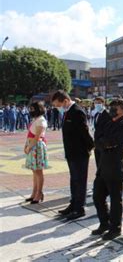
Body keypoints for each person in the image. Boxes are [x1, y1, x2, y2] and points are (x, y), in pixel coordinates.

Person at [92, 99, 123, 240]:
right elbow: (98, 139)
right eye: (112, 106)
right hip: (103, 165)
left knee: (115, 199)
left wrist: (103, 143)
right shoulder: (108, 122)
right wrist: (102, 143)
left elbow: (112, 142)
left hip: (115, 167)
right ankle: (105, 222)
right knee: (97, 196)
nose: (113, 109)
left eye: (117, 107)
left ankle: (116, 228)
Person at [52, 90, 94, 220]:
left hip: (79, 153)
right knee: (73, 180)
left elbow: (84, 132)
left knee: (80, 181)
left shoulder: (77, 111)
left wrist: (90, 147)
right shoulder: (67, 112)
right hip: (71, 152)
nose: (57, 108)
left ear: (65, 101)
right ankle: (73, 204)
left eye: (57, 105)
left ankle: (79, 208)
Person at [24, 102, 48, 204]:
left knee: (38, 171)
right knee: (34, 171)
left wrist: (29, 147)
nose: (31, 111)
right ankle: (34, 192)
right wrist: (26, 145)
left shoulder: (41, 120)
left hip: (36, 146)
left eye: (33, 109)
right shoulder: (36, 120)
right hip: (32, 146)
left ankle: (39, 193)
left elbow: (37, 137)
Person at [93, 97, 111, 168]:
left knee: (104, 165)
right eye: (95, 103)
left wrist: (103, 141)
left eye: (99, 103)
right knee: (98, 164)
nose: (97, 105)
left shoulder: (107, 114)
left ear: (103, 103)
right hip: (96, 143)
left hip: (103, 144)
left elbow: (108, 130)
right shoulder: (96, 114)